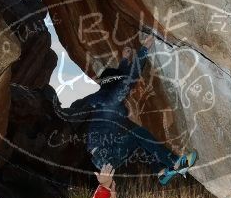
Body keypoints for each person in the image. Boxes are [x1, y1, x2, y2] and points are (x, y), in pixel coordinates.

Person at [63, 33, 198, 185]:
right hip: (105, 153)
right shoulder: (110, 99)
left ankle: (160, 172)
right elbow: (129, 79)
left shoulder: (100, 98)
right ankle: (174, 163)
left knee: (136, 136)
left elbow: (118, 80)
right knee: (139, 133)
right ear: (113, 84)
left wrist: (125, 60)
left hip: (102, 153)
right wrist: (145, 49)